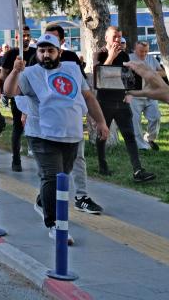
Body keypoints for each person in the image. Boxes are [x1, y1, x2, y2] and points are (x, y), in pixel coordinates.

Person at [3, 34, 109, 245]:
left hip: (71, 134)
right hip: (42, 134)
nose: (45, 55)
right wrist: (15, 71)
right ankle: (55, 225)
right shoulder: (29, 73)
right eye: (41, 51)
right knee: (52, 177)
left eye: (50, 50)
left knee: (63, 175)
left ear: (59, 52)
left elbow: (87, 97)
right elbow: (8, 91)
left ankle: (43, 201)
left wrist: (101, 122)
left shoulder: (72, 68)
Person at [42, 24, 104, 215]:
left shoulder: (71, 61)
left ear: (61, 43)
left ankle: (81, 196)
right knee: (52, 167)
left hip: (72, 120)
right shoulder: (36, 60)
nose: (46, 51)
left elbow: (85, 93)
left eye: (52, 42)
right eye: (44, 44)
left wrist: (99, 121)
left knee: (78, 158)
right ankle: (44, 199)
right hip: (47, 124)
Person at [93, 26, 155, 182]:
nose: (117, 40)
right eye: (114, 37)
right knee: (102, 135)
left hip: (121, 102)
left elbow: (129, 79)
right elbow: (99, 78)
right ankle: (102, 165)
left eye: (119, 37)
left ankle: (138, 170)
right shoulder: (99, 54)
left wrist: (129, 94)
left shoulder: (125, 55)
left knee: (130, 136)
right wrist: (111, 57)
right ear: (106, 38)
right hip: (104, 103)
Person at [0, 26, 36, 171]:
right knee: (18, 126)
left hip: (34, 96)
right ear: (17, 38)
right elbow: (3, 76)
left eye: (27, 35)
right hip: (17, 95)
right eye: (22, 35)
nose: (25, 38)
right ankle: (16, 160)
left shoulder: (35, 53)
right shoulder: (11, 54)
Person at [128, 41, 163, 151]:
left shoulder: (151, 59)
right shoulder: (128, 58)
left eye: (146, 51)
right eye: (141, 51)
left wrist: (153, 74)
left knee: (156, 117)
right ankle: (141, 145)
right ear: (135, 49)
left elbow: (163, 72)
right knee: (135, 121)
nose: (143, 54)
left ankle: (149, 139)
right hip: (135, 96)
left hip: (150, 94)